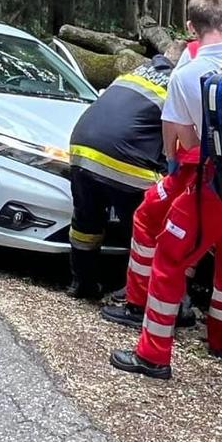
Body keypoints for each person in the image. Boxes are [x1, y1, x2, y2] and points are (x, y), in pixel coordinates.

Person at [110, 0, 222, 393]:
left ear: (190, 28)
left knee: (169, 259)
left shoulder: (187, 72)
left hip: (216, 188)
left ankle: (152, 355)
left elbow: (180, 143)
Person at [65, 52, 174, 301]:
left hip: (81, 149)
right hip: (124, 160)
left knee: (86, 222)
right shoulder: (178, 85)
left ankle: (83, 283)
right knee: (143, 229)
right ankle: (137, 293)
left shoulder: (134, 73)